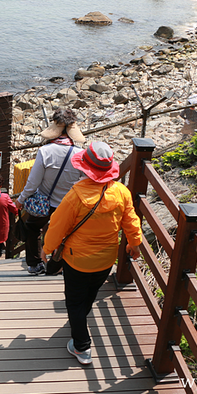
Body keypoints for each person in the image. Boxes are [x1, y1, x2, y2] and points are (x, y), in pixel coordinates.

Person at [42, 142, 142, 365]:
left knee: (74, 302)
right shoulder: (121, 192)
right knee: (89, 295)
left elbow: (56, 227)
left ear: (84, 168)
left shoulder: (75, 196)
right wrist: (135, 246)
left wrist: (47, 250)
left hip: (77, 260)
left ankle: (81, 346)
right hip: (106, 259)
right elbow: (132, 222)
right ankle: (79, 323)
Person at [16, 108, 84, 276]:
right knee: (66, 233)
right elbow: (83, 182)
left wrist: (21, 199)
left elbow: (33, 183)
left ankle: (35, 264)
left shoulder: (45, 151)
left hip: (45, 203)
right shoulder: (80, 154)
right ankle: (59, 264)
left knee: (32, 227)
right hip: (68, 205)